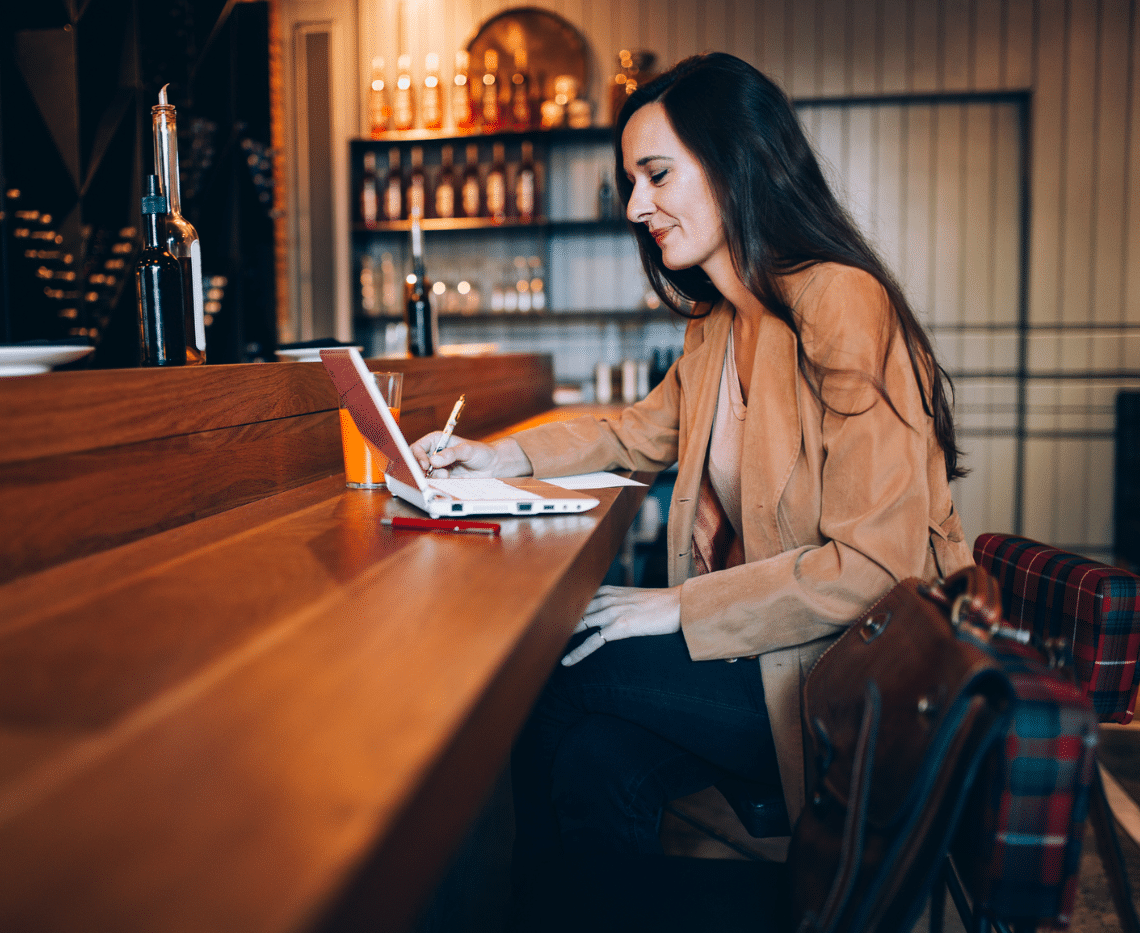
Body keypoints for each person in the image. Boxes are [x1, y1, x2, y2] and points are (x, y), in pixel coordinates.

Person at [411, 52, 972, 919]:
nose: (635, 206)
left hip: (834, 675)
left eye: (657, 174)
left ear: (737, 159)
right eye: (631, 181)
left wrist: (677, 608)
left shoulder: (840, 301)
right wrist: (497, 458)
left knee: (561, 672)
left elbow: (876, 564)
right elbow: (634, 432)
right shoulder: (718, 327)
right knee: (596, 761)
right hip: (760, 654)